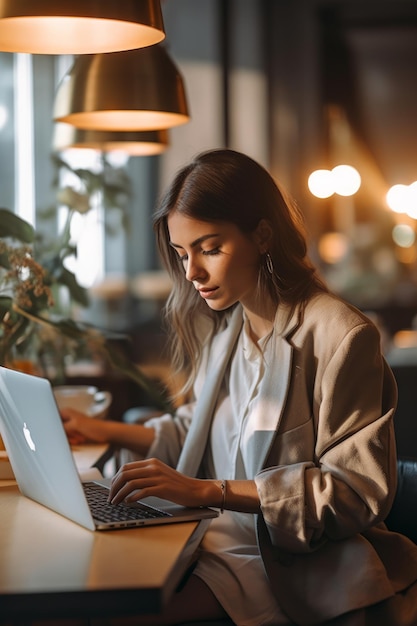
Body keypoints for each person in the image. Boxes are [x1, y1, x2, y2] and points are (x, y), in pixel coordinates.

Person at [62, 149, 417, 626]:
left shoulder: (341, 335)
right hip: (206, 542)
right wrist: (96, 427)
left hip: (278, 565)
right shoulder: (229, 327)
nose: (191, 273)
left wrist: (211, 490)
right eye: (182, 253)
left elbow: (353, 492)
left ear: (263, 234)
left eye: (209, 248)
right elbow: (200, 429)